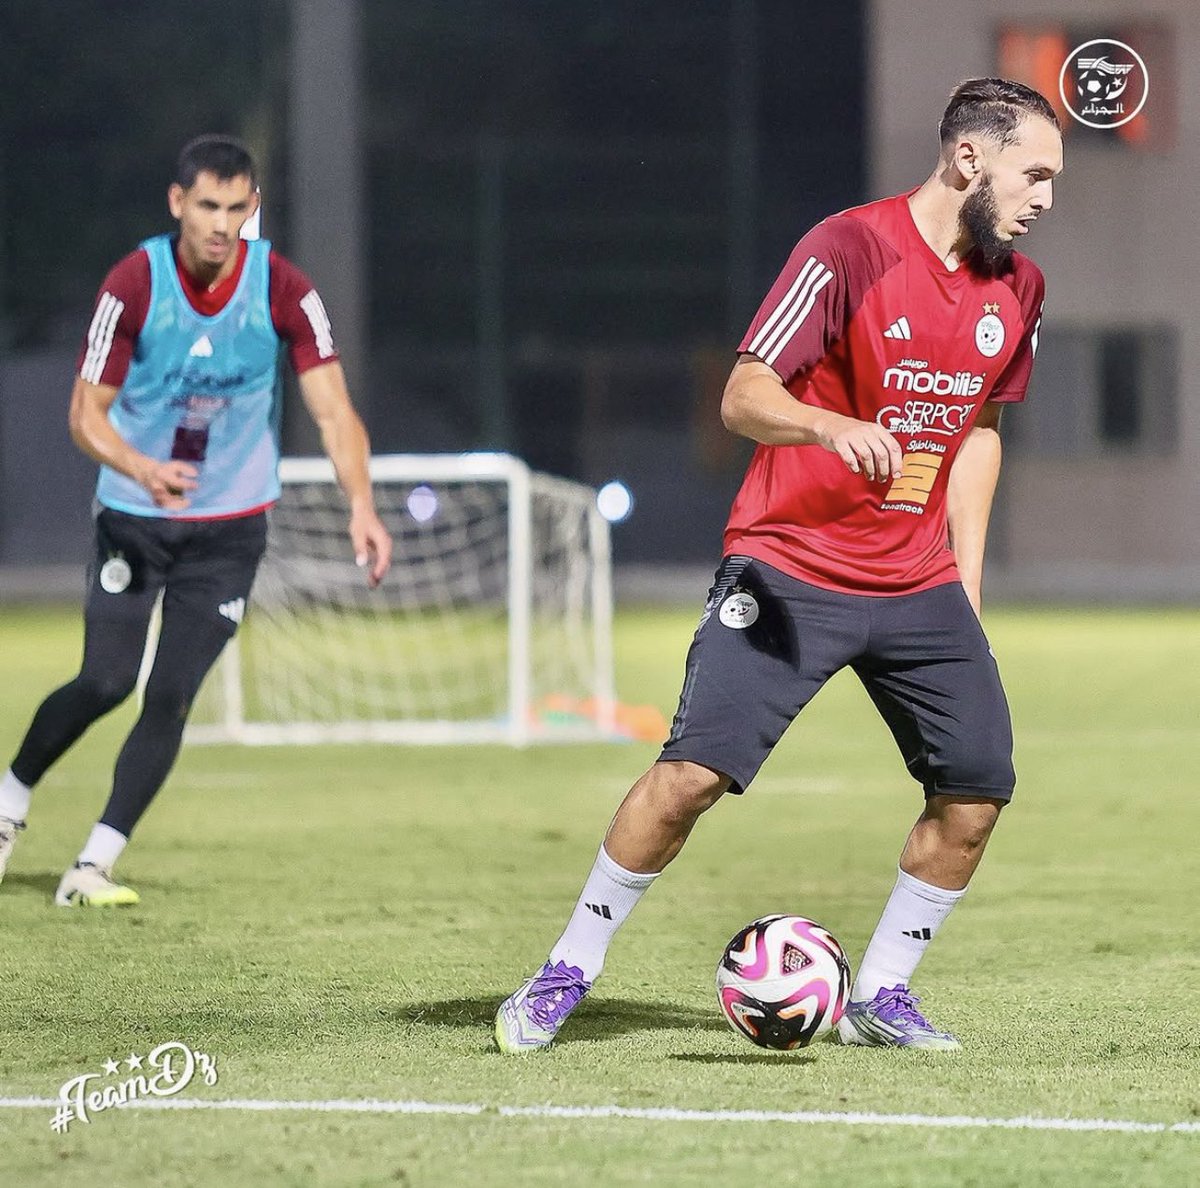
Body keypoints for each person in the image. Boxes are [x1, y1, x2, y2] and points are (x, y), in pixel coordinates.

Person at [496, 78, 1062, 1053]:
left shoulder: (1020, 290)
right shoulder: (848, 250)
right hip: (787, 570)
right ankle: (564, 972)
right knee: (690, 778)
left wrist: (966, 576)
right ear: (968, 158)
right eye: (1034, 172)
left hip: (916, 580)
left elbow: (979, 430)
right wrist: (827, 424)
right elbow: (743, 391)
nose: (1045, 196)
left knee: (977, 791)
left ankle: (879, 994)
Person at [0, 135, 392, 906]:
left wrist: (362, 506)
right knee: (106, 680)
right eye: (207, 206)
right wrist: (141, 468)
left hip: (229, 529)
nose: (221, 224)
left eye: (235, 209)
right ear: (178, 203)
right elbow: (86, 415)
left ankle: (94, 863)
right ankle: (9, 800)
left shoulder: (284, 289)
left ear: (253, 210)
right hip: (134, 520)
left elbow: (334, 410)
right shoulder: (134, 283)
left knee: (172, 694)